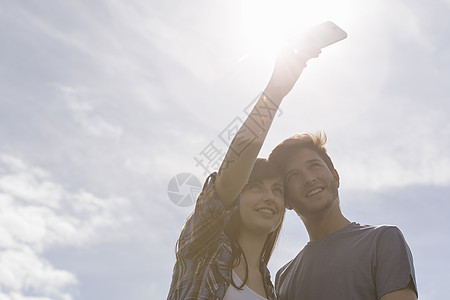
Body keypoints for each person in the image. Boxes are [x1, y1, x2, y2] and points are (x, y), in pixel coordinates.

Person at [167, 45, 323, 299]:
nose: (269, 197)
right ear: (238, 195)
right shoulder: (204, 247)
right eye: (255, 187)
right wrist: (275, 91)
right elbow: (233, 170)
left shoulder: (273, 290)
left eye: (277, 190)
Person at [268, 132, 418, 300]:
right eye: (293, 176)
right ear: (286, 200)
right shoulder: (283, 278)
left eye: (314, 166)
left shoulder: (382, 240)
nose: (309, 179)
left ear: (335, 177)